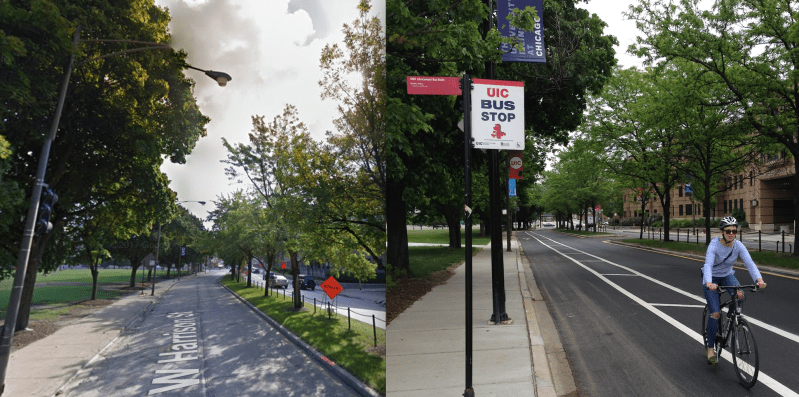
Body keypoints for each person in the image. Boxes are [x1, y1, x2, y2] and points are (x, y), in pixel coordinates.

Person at [702, 216, 767, 365]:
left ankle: (732, 318)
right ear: (722, 232)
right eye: (728, 231)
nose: (731, 233)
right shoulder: (714, 245)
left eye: (734, 231)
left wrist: (759, 280)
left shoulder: (738, 246)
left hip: (727, 276)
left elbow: (750, 263)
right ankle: (711, 348)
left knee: (739, 294)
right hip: (711, 279)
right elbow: (708, 265)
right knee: (716, 313)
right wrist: (709, 282)